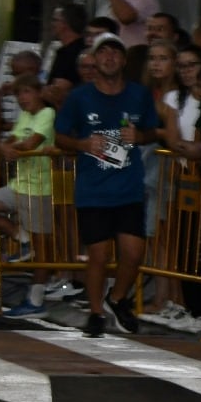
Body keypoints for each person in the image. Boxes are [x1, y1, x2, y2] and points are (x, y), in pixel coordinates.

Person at [53, 34, 162, 338]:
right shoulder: (79, 97)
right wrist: (82, 144)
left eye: (116, 53)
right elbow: (59, 136)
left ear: (124, 60)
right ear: (95, 60)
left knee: (133, 252)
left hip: (128, 187)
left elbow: (153, 130)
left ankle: (117, 299)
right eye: (104, 53)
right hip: (93, 189)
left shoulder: (139, 95)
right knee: (98, 255)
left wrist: (140, 137)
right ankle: (96, 312)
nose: (110, 58)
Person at [0, 73, 56, 318]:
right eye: (19, 94)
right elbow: (6, 141)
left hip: (41, 188)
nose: (23, 98)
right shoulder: (26, 116)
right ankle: (19, 235)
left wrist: (11, 148)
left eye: (28, 92)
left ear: (39, 92)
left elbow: (31, 143)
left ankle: (36, 298)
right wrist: (7, 147)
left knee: (42, 249)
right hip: (19, 185)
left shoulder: (47, 114)